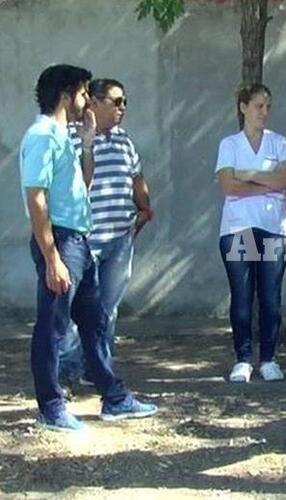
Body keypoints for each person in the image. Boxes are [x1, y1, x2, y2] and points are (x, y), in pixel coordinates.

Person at [19, 64, 158, 431]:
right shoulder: (43, 135)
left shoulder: (66, 136)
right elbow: (36, 199)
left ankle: (114, 398)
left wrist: (87, 143)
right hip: (62, 242)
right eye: (83, 93)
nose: (86, 100)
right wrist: (52, 258)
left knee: (95, 323)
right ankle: (51, 407)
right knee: (53, 326)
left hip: (78, 239)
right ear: (67, 94)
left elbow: (83, 184)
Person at [59, 78, 152, 385]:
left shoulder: (124, 140)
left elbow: (136, 177)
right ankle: (70, 368)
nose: (122, 108)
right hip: (86, 241)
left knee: (107, 310)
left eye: (125, 101)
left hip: (120, 240)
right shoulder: (72, 138)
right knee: (77, 310)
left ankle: (99, 368)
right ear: (95, 103)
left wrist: (144, 209)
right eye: (116, 101)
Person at [215, 83, 286, 383]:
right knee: (242, 295)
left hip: (273, 230)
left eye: (268, 106)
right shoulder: (229, 145)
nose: (264, 112)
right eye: (259, 106)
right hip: (237, 229)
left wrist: (246, 174)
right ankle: (243, 358)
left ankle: (269, 359)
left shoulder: (279, 142)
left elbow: (285, 179)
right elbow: (227, 185)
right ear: (243, 107)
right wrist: (267, 180)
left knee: (271, 297)